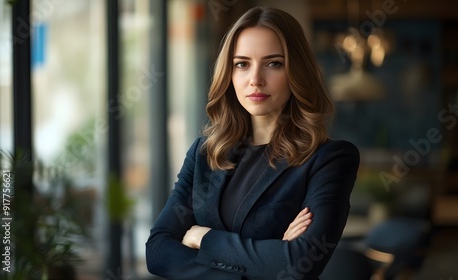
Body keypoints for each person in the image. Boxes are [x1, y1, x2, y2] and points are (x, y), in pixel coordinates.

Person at [146, 6, 359, 280]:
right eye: (242, 64)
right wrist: (269, 258)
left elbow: (299, 265)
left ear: (297, 71)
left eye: (274, 63)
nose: (255, 80)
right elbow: (158, 253)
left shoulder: (329, 159)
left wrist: (203, 237)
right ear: (229, 73)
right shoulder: (204, 153)